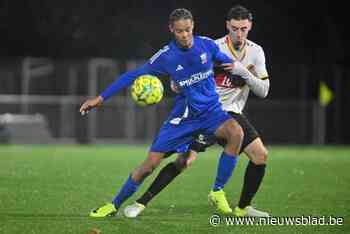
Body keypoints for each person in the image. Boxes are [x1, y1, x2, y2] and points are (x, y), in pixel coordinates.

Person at [79, 8, 248, 218]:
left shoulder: (207, 45)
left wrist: (242, 73)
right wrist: (99, 98)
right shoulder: (166, 56)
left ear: (193, 26)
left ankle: (217, 190)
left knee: (236, 133)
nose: (185, 35)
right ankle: (113, 205)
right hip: (183, 119)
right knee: (149, 166)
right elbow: (132, 75)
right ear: (171, 30)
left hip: (212, 114)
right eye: (179, 31)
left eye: (187, 30)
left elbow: (227, 63)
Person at [124, 5, 270, 218]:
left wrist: (242, 72)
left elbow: (264, 90)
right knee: (184, 161)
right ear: (227, 26)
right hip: (204, 113)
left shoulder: (256, 52)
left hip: (231, 114)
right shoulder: (212, 46)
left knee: (260, 156)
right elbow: (182, 76)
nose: (239, 33)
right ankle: (141, 203)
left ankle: (243, 208)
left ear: (250, 27)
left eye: (244, 29)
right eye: (235, 28)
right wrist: (177, 83)